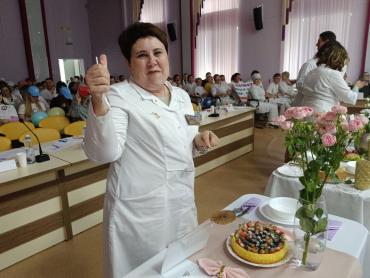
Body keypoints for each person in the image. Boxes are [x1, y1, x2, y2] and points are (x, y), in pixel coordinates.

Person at [83, 22, 219, 278]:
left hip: (180, 201)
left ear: (167, 55)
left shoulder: (181, 96)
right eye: (142, 55)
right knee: (141, 270)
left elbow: (187, 138)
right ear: (128, 62)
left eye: (158, 53)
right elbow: (104, 153)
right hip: (139, 211)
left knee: (180, 264)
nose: (152, 61)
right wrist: (99, 99)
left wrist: (199, 140)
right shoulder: (119, 96)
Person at [301, 41, 365, 113]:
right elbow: (349, 98)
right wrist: (356, 86)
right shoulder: (332, 74)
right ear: (338, 58)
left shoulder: (313, 71)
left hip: (307, 110)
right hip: (323, 111)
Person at [293, 31, 337, 106]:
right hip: (306, 106)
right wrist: (317, 93)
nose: (316, 44)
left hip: (326, 105)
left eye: (319, 42)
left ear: (326, 43)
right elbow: (299, 84)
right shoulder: (310, 64)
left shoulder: (334, 66)